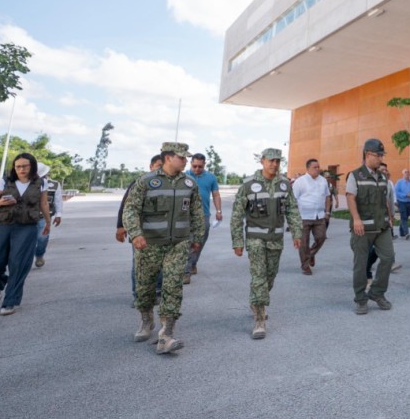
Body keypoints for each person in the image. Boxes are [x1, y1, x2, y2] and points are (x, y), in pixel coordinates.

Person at [123, 142, 205, 354]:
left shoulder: (189, 183)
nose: (185, 160)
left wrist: (196, 237)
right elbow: (130, 209)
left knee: (173, 287)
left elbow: (196, 212)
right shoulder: (146, 181)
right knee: (145, 287)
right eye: (181, 157)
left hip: (178, 244)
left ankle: (166, 334)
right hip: (149, 244)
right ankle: (146, 321)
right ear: (168, 158)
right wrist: (136, 233)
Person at [231, 148, 303, 338]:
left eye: (277, 161)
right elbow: (237, 215)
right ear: (262, 161)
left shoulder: (285, 185)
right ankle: (259, 320)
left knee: (270, 276)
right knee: (259, 276)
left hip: (276, 239)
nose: (274, 164)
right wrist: (237, 241)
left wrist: (297, 232)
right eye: (270, 160)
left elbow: (292, 210)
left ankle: (257, 301)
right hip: (255, 239)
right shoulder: (248, 184)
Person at [0, 153, 51, 316]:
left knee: (19, 263)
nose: (21, 169)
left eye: (25, 166)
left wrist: (48, 222)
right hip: (0, 225)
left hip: (26, 226)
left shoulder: (41, 183)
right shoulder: (4, 181)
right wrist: (1, 202)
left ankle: (11, 300)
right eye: (18, 166)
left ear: (32, 167)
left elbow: (43, 203)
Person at [345, 138, 395, 315]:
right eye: (378, 155)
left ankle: (376, 293)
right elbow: (350, 197)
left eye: (382, 155)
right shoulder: (355, 175)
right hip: (362, 228)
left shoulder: (382, 177)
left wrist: (390, 216)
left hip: (381, 227)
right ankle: (360, 299)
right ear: (367, 154)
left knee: (388, 258)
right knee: (361, 265)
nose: (381, 158)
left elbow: (385, 200)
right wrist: (356, 219)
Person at [117, 155, 162, 301]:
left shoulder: (171, 185)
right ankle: (139, 296)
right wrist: (120, 226)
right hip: (141, 232)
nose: (160, 169)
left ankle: (157, 292)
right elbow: (126, 206)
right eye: (158, 165)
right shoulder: (140, 183)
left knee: (161, 264)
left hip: (163, 233)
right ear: (151, 167)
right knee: (139, 264)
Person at [184, 153, 222, 284]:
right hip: (186, 215)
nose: (196, 169)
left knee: (199, 242)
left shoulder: (211, 178)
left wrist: (218, 210)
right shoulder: (184, 176)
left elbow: (216, 195)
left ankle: (194, 263)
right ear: (191, 164)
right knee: (189, 243)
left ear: (204, 165)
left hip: (204, 215)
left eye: (200, 166)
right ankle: (186, 272)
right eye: (194, 166)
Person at [292, 158, 332, 274]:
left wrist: (327, 212)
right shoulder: (300, 181)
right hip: (303, 217)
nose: (318, 169)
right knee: (303, 243)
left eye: (318, 167)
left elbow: (327, 196)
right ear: (308, 168)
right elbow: (293, 200)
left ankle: (311, 254)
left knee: (321, 237)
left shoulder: (323, 181)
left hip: (319, 216)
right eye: (315, 167)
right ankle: (305, 266)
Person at [367, 163, 403, 280]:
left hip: (386, 219)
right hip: (374, 220)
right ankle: (366, 269)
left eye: (387, 170)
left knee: (384, 245)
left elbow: (390, 201)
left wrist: (391, 216)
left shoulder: (389, 183)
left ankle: (387, 263)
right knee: (374, 247)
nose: (386, 172)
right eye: (383, 170)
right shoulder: (372, 183)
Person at [33, 163, 63, 268]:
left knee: (42, 238)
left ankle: (39, 255)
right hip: (27, 216)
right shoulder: (28, 183)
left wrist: (58, 214)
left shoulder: (54, 184)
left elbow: (58, 200)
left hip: (44, 217)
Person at [394, 168, 410, 240]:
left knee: (405, 217)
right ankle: (406, 233)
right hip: (401, 201)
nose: (407, 174)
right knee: (403, 216)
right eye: (406, 172)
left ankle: (401, 232)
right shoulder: (399, 182)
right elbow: (397, 192)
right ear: (403, 174)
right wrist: (405, 195)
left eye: (408, 172)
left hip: (409, 201)